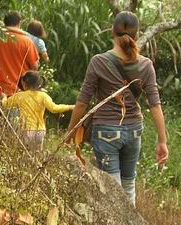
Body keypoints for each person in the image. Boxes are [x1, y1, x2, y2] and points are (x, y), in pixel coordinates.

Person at [65, 11, 168, 205]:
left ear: (112, 31)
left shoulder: (99, 61)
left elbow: (82, 102)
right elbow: (155, 104)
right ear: (137, 35)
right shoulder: (146, 65)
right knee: (128, 187)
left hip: (106, 131)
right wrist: (162, 141)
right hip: (134, 130)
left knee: (111, 191)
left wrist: (71, 131)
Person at [1, 70, 74, 151]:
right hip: (40, 131)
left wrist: (4, 97)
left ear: (25, 84)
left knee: (25, 153)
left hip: (27, 130)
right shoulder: (43, 96)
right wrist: (70, 107)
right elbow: (54, 108)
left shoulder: (19, 96)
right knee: (37, 155)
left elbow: (5, 104)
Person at [0, 12, 39, 97]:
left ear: (5, 23)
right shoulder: (27, 42)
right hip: (20, 91)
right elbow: (35, 67)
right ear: (19, 23)